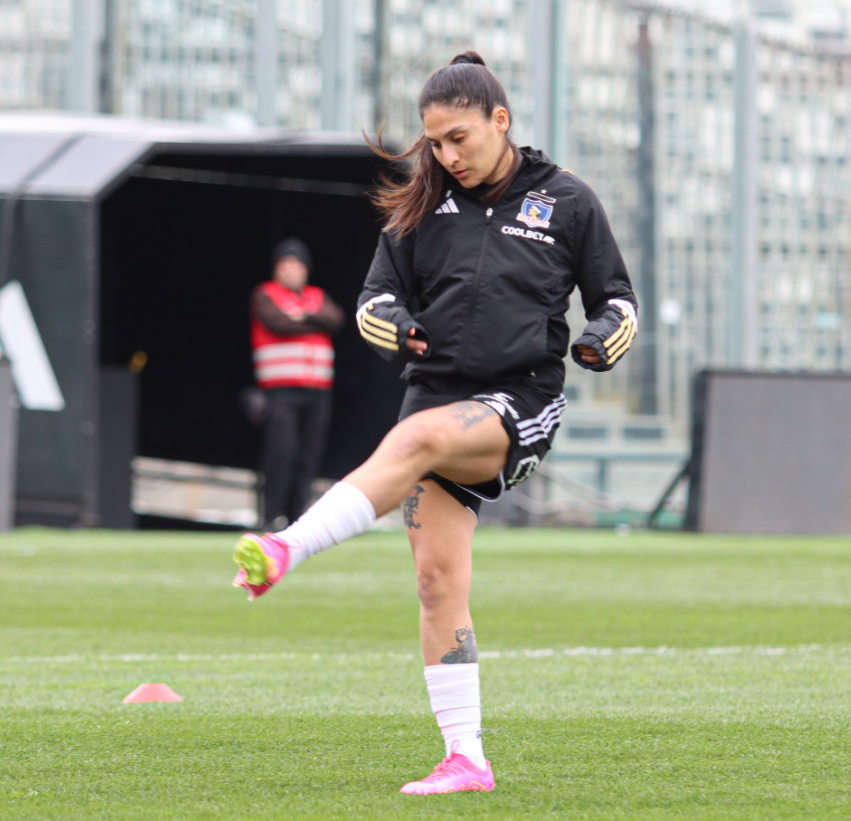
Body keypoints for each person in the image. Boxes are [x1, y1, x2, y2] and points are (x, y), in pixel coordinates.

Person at [233, 52, 637, 795]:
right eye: (434, 144)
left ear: (500, 121)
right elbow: (369, 304)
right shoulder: (423, 205)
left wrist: (598, 338)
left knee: (415, 442)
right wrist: (397, 325)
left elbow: (617, 301)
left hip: (517, 403)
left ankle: (287, 547)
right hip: (433, 395)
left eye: (458, 139)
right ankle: (465, 758)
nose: (446, 156)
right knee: (434, 580)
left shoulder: (567, 201)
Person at [249, 238, 344, 528]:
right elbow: (278, 323)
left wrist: (304, 315)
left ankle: (296, 519)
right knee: (281, 454)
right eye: (285, 263)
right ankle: (269, 518)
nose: (291, 269)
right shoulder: (265, 294)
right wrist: (314, 320)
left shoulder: (317, 295)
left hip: (317, 392)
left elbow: (336, 318)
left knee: (308, 457)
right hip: (281, 392)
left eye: (297, 264)